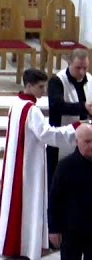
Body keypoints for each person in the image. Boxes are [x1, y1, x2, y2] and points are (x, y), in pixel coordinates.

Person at [0, 69, 83, 260]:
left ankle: (11, 243)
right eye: (40, 87)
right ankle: (26, 246)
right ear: (29, 85)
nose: (43, 91)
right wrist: (75, 129)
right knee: (29, 201)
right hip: (29, 163)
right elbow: (46, 135)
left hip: (16, 161)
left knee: (16, 201)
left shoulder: (16, 104)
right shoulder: (31, 110)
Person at [48, 125, 92, 260]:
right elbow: (54, 199)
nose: (91, 146)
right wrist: (53, 229)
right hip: (70, 229)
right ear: (77, 142)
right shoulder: (65, 166)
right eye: (87, 142)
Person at [47, 49, 89, 198]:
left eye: (85, 68)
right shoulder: (57, 81)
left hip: (84, 142)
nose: (82, 72)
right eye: (78, 68)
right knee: (57, 183)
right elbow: (57, 105)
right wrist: (82, 106)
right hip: (60, 140)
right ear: (69, 63)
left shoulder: (90, 80)